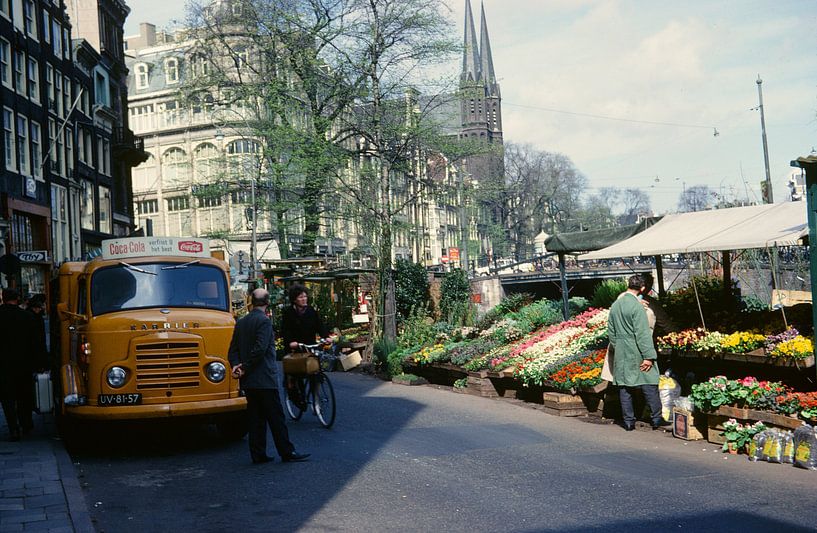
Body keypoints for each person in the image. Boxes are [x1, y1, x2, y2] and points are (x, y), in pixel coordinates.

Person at [228, 288, 310, 465]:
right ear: (267, 303)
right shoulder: (264, 322)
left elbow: (232, 349)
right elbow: (260, 349)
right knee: (276, 418)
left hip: (248, 381)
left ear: (251, 301)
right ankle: (286, 451)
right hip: (265, 378)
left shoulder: (241, 322)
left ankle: (258, 454)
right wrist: (247, 367)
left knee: (255, 418)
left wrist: (237, 366)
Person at [607, 274, 669, 431]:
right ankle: (656, 418)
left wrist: (619, 346)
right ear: (642, 288)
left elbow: (611, 332)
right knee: (649, 383)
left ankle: (628, 421)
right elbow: (642, 333)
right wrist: (649, 356)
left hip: (621, 350)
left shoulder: (615, 305)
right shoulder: (638, 306)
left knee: (624, 386)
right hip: (638, 349)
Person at [0, 288, 38, 441]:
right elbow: (34, 342)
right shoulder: (27, 317)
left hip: (3, 364)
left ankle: (13, 428)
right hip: (23, 363)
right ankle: (25, 424)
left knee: (7, 397)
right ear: (17, 298)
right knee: (24, 395)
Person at [281, 284, 329, 355]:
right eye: (300, 297)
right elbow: (285, 330)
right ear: (294, 300)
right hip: (295, 348)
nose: (304, 299)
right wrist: (290, 342)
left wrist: (326, 337)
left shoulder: (311, 311)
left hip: (310, 346)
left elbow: (319, 325)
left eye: (305, 296)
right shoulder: (288, 313)